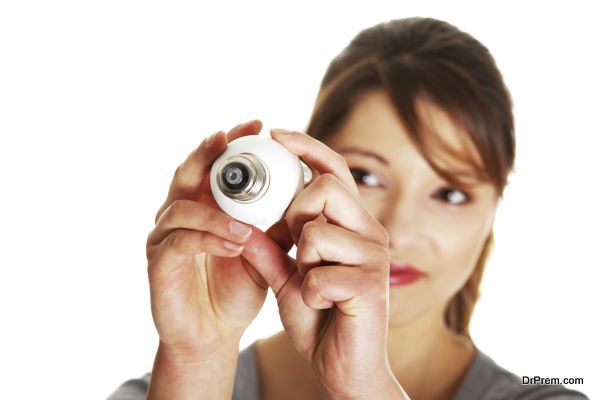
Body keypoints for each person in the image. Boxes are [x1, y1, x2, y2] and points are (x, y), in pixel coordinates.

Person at [108, 17, 588, 399]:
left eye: (451, 193)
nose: (396, 230)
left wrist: (361, 387)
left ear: (495, 208)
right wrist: (199, 358)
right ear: (307, 173)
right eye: (365, 176)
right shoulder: (160, 391)